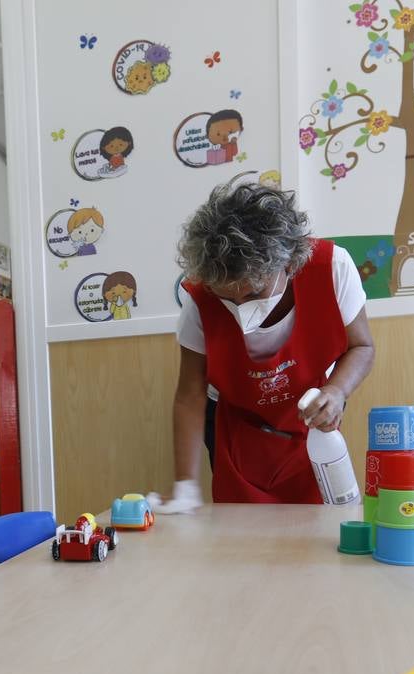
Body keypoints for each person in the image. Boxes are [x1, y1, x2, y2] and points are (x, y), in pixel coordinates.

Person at [155, 180, 374, 511]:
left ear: (289, 262)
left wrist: (337, 391)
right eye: (228, 298)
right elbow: (190, 395)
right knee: (239, 534)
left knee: (316, 528)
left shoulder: (332, 268)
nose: (241, 309)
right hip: (235, 428)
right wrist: (185, 485)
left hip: (311, 419)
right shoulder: (200, 300)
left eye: (253, 293)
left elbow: (362, 347)